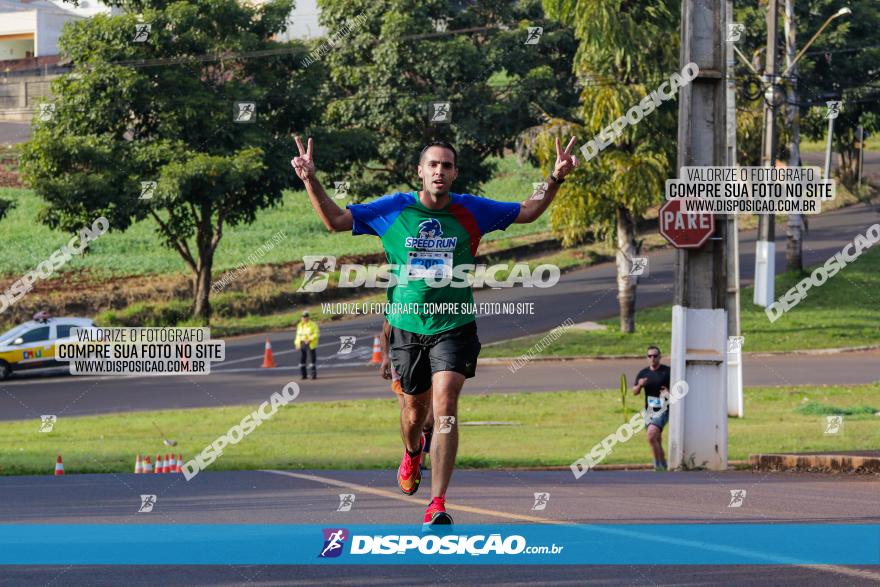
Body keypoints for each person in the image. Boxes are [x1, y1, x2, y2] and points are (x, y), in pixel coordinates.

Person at [292, 135, 578, 527]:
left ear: (455, 173)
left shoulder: (471, 209)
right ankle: (412, 452)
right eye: (433, 165)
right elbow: (336, 221)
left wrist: (555, 178)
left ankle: (437, 503)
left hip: (454, 325)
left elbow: (528, 211)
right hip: (407, 329)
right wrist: (310, 178)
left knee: (445, 407)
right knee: (414, 413)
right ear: (420, 172)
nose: (439, 171)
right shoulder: (394, 208)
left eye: (446, 166)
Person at [380, 319, 433, 470]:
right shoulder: (397, 307)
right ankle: (413, 459)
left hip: (427, 365)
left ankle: (421, 459)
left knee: (428, 419)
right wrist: (385, 358)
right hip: (401, 366)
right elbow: (384, 333)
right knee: (409, 416)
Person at [632, 345, 671, 471]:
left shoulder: (667, 372)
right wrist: (639, 385)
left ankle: (657, 465)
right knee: (657, 439)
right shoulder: (643, 373)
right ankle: (663, 464)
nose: (652, 358)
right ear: (647, 358)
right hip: (649, 411)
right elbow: (635, 392)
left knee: (651, 436)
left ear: (660, 357)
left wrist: (668, 394)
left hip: (663, 409)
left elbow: (678, 391)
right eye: (650, 356)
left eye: (655, 356)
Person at [294, 312, 320, 380]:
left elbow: (316, 334)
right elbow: (298, 336)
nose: (304, 318)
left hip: (311, 343)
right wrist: (297, 344)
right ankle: (304, 375)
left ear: (308, 317)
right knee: (302, 359)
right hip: (302, 343)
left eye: (305, 317)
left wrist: (309, 339)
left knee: (312, 359)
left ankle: (313, 374)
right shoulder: (299, 325)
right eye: (303, 317)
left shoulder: (313, 325)